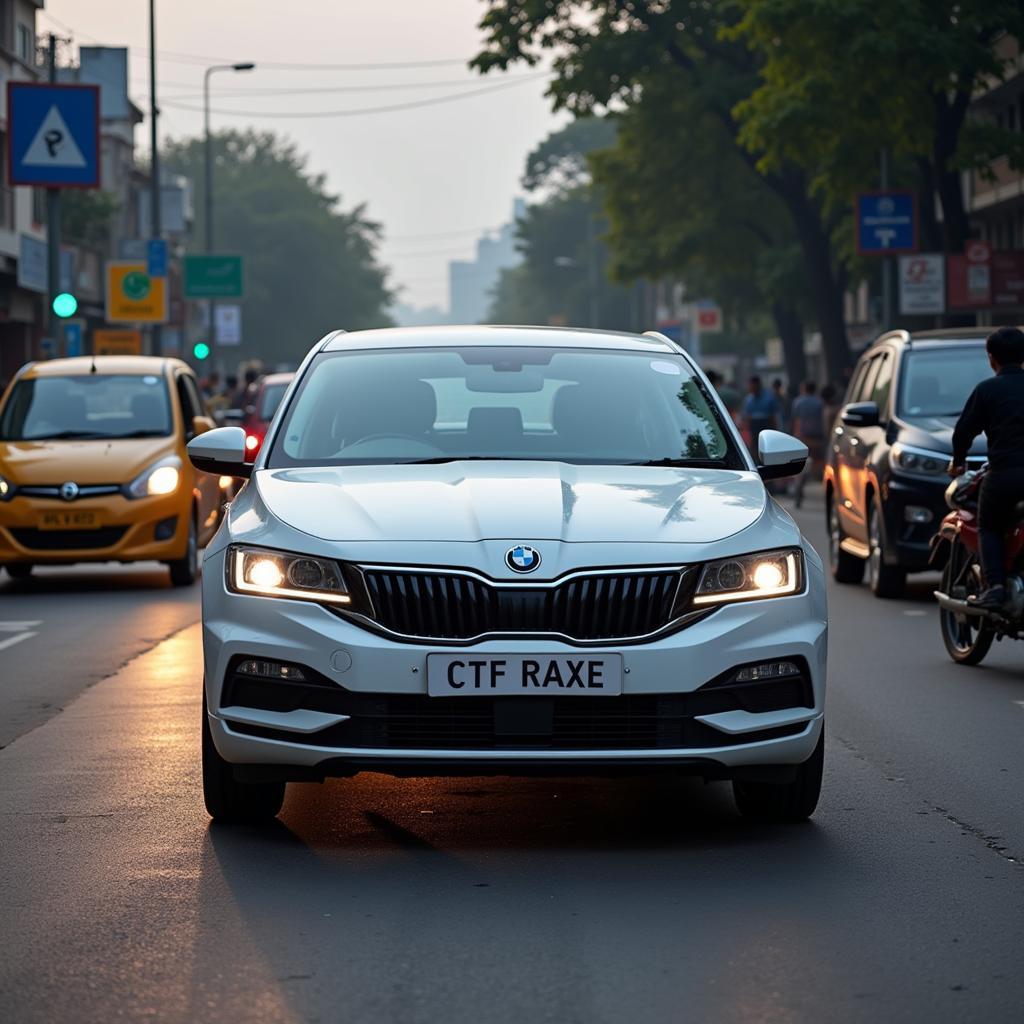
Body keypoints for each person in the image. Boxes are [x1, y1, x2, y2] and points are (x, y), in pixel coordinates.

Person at [950, 326, 1024, 608]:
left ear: (991, 358)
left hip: (1004, 474)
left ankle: (994, 587)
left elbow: (963, 433)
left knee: (989, 525)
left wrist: (958, 463)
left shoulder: (988, 390)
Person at [790, 380, 825, 508]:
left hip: (802, 437)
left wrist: (793, 435)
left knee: (801, 464)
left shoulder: (798, 402)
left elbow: (795, 420)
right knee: (817, 462)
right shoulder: (819, 403)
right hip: (817, 436)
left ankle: (800, 485)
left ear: (804, 388)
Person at [741, 374, 779, 457]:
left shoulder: (769, 397)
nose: (751, 388)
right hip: (754, 426)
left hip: (766, 424)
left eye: (753, 386)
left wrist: (776, 429)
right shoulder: (748, 400)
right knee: (754, 447)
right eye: (750, 386)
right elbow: (747, 417)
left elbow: (774, 415)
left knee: (767, 446)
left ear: (758, 385)